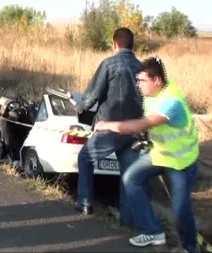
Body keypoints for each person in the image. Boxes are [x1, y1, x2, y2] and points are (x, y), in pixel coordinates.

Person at [94, 57, 200, 253]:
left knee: (180, 211)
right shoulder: (152, 94)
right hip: (160, 154)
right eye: (138, 80)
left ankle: (190, 248)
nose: (138, 85)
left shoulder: (172, 102)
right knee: (130, 178)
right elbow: (148, 122)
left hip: (181, 161)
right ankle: (153, 231)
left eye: (142, 80)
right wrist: (144, 134)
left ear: (157, 80)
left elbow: (143, 123)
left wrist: (106, 125)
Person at [74, 27, 143, 228]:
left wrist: (79, 107)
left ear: (115, 44)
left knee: (85, 157)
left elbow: (93, 94)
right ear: (132, 45)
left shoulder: (110, 64)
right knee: (127, 175)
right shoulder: (141, 68)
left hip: (110, 128)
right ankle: (127, 222)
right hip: (134, 131)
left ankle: (85, 202)